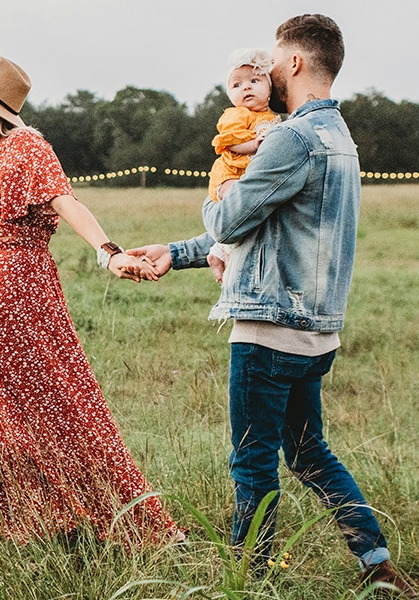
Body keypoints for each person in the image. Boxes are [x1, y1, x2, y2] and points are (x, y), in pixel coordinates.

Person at [127, 14, 416, 595]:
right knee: (310, 453)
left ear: (297, 63)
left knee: (252, 461)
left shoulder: (289, 137)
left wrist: (221, 194)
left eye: (274, 62)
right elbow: (266, 227)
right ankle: (377, 563)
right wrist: (178, 253)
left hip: (269, 329)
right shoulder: (340, 138)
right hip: (317, 334)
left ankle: (247, 578)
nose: (267, 72)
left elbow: (231, 217)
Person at [0, 54, 178, 545]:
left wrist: (108, 252)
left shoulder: (27, 145)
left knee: (53, 402)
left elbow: (65, 199)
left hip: (16, 290)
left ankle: (84, 514)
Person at [205, 48, 281, 280]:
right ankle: (222, 254)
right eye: (236, 85)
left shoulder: (271, 118)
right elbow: (229, 141)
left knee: (250, 213)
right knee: (238, 207)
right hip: (229, 174)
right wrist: (253, 144)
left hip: (246, 175)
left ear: (270, 88)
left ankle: (218, 252)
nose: (245, 87)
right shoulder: (237, 114)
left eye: (254, 81)